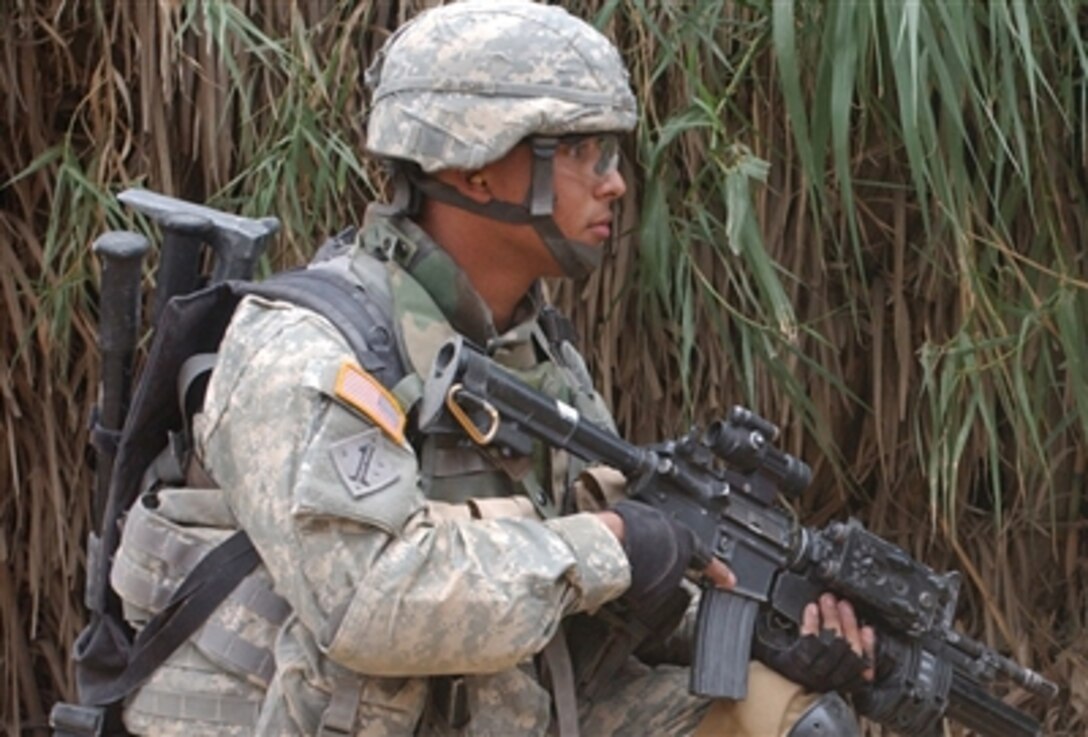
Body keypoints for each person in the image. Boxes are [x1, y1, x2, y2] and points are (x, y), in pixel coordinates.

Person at [111, 1, 875, 734]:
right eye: (582, 152)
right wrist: (614, 538)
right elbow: (370, 601)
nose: (613, 181)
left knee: (788, 718)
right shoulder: (312, 347)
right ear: (476, 168)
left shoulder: (534, 353)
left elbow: (595, 601)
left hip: (505, 710)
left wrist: (767, 625)